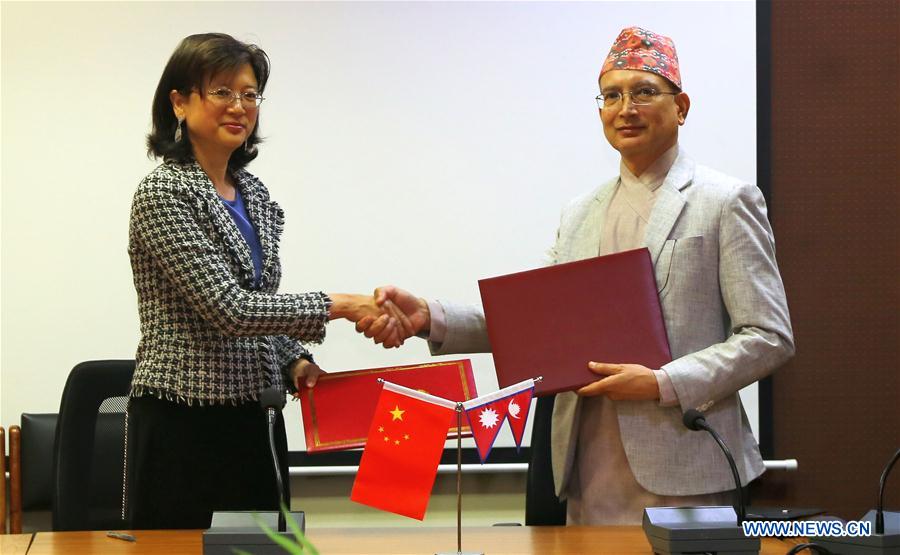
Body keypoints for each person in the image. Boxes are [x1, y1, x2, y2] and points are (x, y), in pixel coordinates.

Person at [358, 27, 794, 524]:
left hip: (686, 462)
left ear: (682, 107)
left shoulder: (726, 201)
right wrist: (429, 318)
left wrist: (662, 382)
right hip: (584, 465)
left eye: (644, 92)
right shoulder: (580, 212)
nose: (625, 108)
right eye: (612, 95)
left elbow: (768, 336)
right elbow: (535, 323)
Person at [127, 33, 401, 529]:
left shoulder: (254, 194)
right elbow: (228, 309)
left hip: (255, 417)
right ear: (180, 102)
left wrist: (292, 359)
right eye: (222, 92)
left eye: (250, 94)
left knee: (261, 548)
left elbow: (259, 308)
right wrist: (340, 304)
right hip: (184, 421)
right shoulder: (163, 193)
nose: (240, 106)